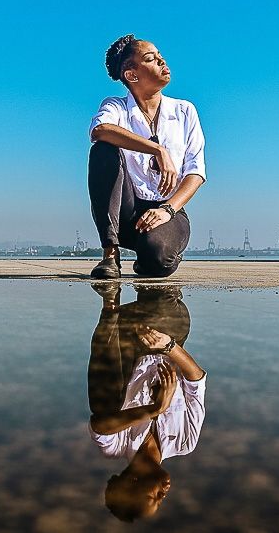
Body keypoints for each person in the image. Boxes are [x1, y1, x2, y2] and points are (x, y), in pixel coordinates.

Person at [87, 34, 207, 279]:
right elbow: (100, 130)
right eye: (152, 59)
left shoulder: (185, 111)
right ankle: (110, 254)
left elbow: (196, 171)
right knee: (103, 149)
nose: (163, 62)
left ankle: (150, 254)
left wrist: (167, 210)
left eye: (161, 56)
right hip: (126, 211)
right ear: (132, 75)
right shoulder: (116, 107)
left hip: (168, 208)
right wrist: (157, 150)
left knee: (158, 261)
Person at [87, 284, 206, 521]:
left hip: (122, 342)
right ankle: (144, 258)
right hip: (166, 334)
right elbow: (196, 380)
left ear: (132, 482)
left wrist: (155, 410)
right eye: (162, 500)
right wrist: (169, 346)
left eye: (155, 497)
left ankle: (111, 305)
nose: (164, 493)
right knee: (158, 264)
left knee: (103, 410)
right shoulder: (184, 442)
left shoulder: (114, 446)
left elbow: (100, 426)